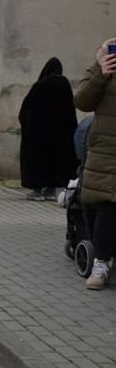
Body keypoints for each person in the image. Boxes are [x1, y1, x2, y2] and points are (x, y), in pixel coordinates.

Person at [75, 37, 116, 290]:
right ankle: (101, 264)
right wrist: (102, 73)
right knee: (109, 207)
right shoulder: (104, 60)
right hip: (108, 151)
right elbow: (82, 101)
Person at [19, 57, 78, 200]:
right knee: (57, 161)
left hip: (39, 134)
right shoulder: (65, 85)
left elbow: (26, 109)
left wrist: (28, 126)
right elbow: (70, 111)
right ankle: (52, 190)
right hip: (61, 134)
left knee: (38, 161)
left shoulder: (40, 85)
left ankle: (38, 191)